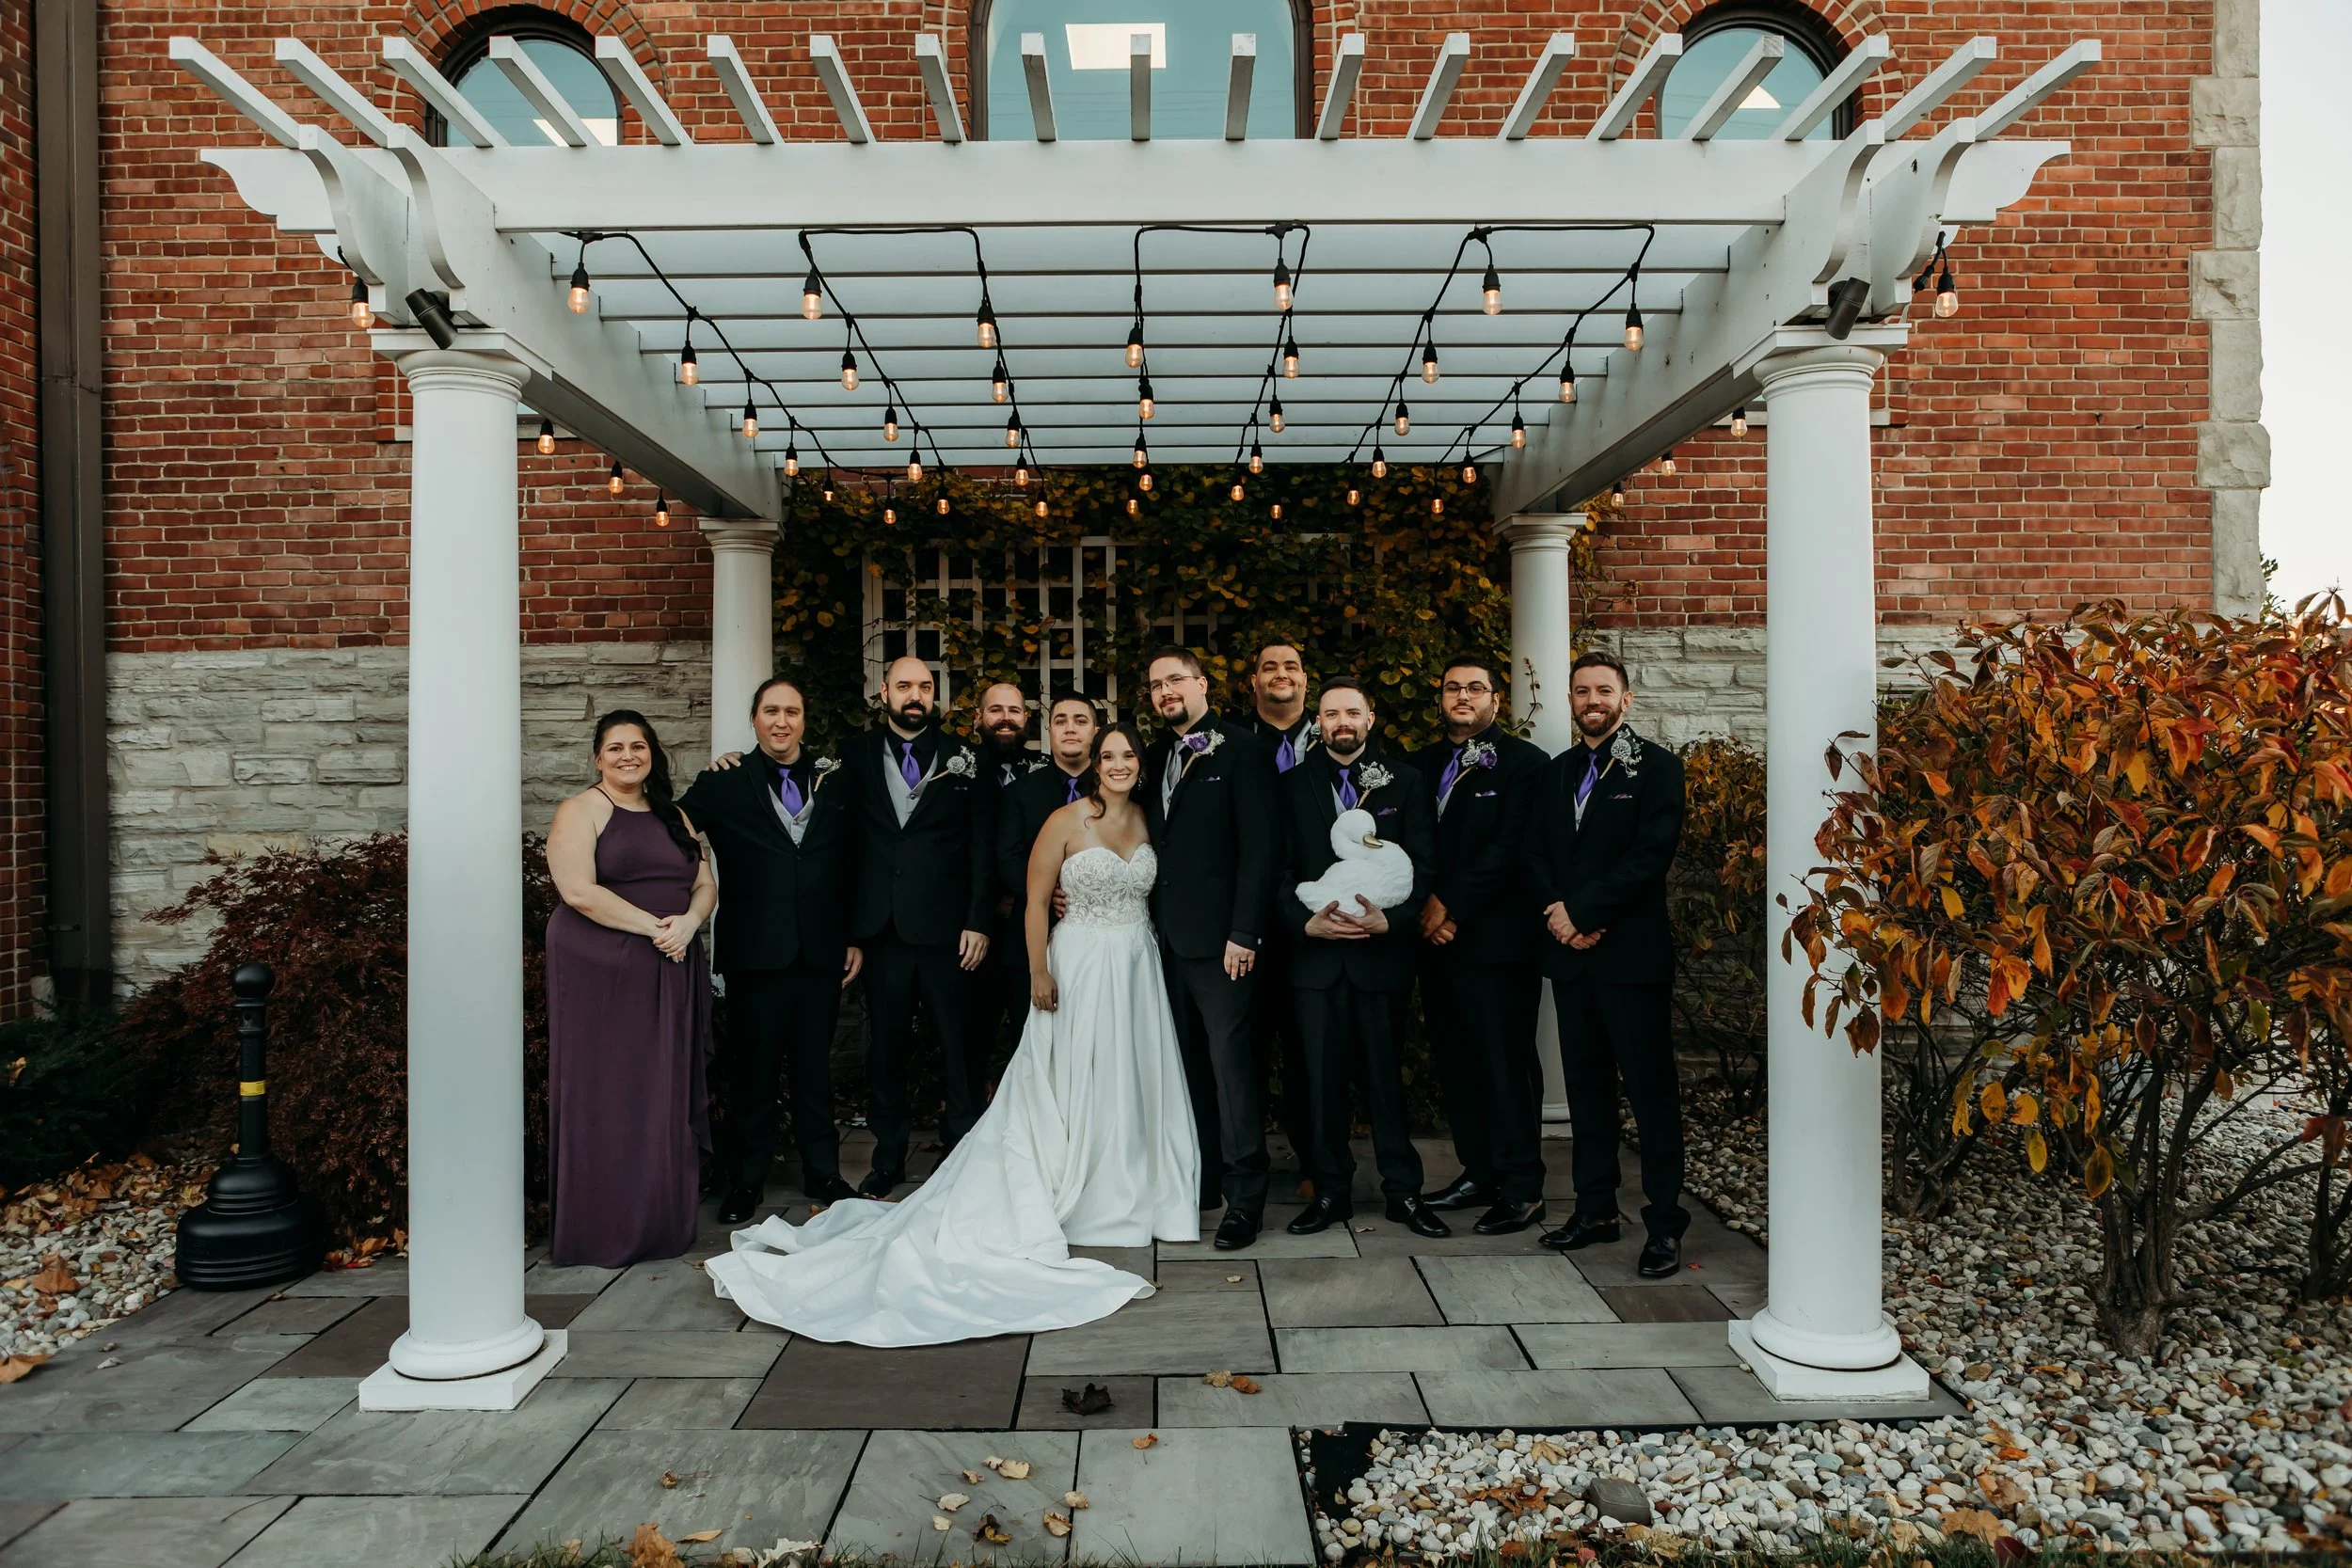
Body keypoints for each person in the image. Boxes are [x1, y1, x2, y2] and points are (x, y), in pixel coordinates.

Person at [706, 723, 1200, 1344]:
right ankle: (1078, 1183)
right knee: (1072, 1074)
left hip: (1136, 967)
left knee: (1131, 1076)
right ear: (1094, 764)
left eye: (1129, 755)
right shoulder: (1066, 819)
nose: (1120, 763)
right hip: (1078, 966)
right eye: (1109, 755)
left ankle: (1132, 1182)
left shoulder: (1149, 823)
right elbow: (1036, 900)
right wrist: (1041, 969)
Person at [1523, 649, 1689, 1277]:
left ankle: (1665, 1223)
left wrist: (1585, 913)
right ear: (1570, 700)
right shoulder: (1555, 773)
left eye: (1604, 690)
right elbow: (1534, 851)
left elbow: (1650, 857)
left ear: (1627, 699)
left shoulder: (1658, 769)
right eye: (1581, 691)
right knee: (1587, 1088)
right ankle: (1594, 1209)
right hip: (1570, 956)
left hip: (1630, 956)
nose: (1592, 700)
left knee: (1650, 1093)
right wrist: (1556, 914)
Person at [680, 678, 863, 1225]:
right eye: (770, 711)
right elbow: (674, 830)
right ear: (754, 719)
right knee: (753, 1073)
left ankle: (824, 1172)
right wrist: (697, 882)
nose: (781, 721)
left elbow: (855, 860)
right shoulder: (725, 781)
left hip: (822, 952)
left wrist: (853, 934)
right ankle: (746, 1180)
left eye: (791, 712)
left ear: (804, 719)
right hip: (755, 954)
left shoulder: (836, 779)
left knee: (814, 1071)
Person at [544, 709, 717, 1268]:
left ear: (652, 754)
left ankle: (660, 1219)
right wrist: (657, 929)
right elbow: (578, 891)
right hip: (602, 968)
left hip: (670, 960)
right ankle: (602, 1227)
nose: (627, 756)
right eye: (615, 748)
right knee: (610, 1090)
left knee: (660, 1089)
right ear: (598, 757)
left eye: (638, 746)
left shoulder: (674, 814)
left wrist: (689, 923)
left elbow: (704, 880)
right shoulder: (580, 810)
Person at [1278, 677, 1449, 1240]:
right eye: (1330, 714)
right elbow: (1272, 868)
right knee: (1320, 1083)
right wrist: (1303, 923)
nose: (1341, 722)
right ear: (1318, 722)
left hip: (1382, 957)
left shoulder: (1406, 780)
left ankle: (1403, 1192)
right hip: (1314, 960)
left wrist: (1391, 921)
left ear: (1370, 719)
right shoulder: (1290, 785)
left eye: (1352, 712)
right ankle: (1330, 1192)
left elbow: (1425, 864)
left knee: (1384, 1079)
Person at [1140, 645, 1279, 1251]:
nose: (1166, 691)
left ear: (1203, 684)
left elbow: (1260, 848)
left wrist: (1244, 932)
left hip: (1223, 943)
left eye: (1176, 680)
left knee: (1231, 1069)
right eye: (1156, 685)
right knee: (1184, 1065)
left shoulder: (1244, 750)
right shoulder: (1149, 757)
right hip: (1160, 941)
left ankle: (1246, 1197)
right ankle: (1201, 1181)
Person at [842, 656, 996, 1196]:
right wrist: (850, 932)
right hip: (880, 933)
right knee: (883, 1051)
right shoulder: (851, 757)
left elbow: (983, 847)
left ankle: (960, 1158)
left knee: (958, 1048)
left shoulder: (966, 759)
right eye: (904, 685)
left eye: (925, 687)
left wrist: (978, 920)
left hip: (949, 932)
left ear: (935, 696)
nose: (915, 695)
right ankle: (887, 1159)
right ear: (883, 691)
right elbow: (840, 848)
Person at [1409, 655, 1551, 1235]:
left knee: (1505, 1061)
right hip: (1434, 940)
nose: (1462, 696)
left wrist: (1453, 904)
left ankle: (1523, 1186)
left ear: (1497, 699)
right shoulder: (1418, 765)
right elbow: (1406, 844)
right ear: (1440, 699)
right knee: (1457, 1059)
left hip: (1498, 941)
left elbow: (1511, 847)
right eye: (1452, 688)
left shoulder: (1525, 765)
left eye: (1475, 688)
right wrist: (1425, 906)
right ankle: (1479, 1170)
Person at [1235, 639, 1319, 1200]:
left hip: (1318, 920)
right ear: (1254, 683)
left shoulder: (1338, 732)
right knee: (1243, 1048)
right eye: (1269, 667)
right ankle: (1242, 1165)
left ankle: (1317, 1162)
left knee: (1313, 1049)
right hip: (1248, 922)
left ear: (1305, 680)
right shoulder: (1231, 744)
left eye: (1290, 666)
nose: (1280, 674)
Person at [969, 681, 1046, 1086]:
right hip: (971, 928)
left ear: (1026, 719)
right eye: (995, 710)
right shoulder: (957, 769)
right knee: (970, 1039)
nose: (1005, 718)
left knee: (1028, 1034)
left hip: (1028, 924)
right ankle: (965, 1133)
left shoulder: (1047, 772)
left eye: (1014, 711)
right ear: (979, 717)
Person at [997, 691, 1101, 987]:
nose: (1070, 728)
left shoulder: (1113, 789)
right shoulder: (1020, 793)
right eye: (1061, 721)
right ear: (1050, 731)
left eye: (1080, 721)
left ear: (1095, 732)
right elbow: (1008, 856)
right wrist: (1046, 890)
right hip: (1032, 940)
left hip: (1101, 940)